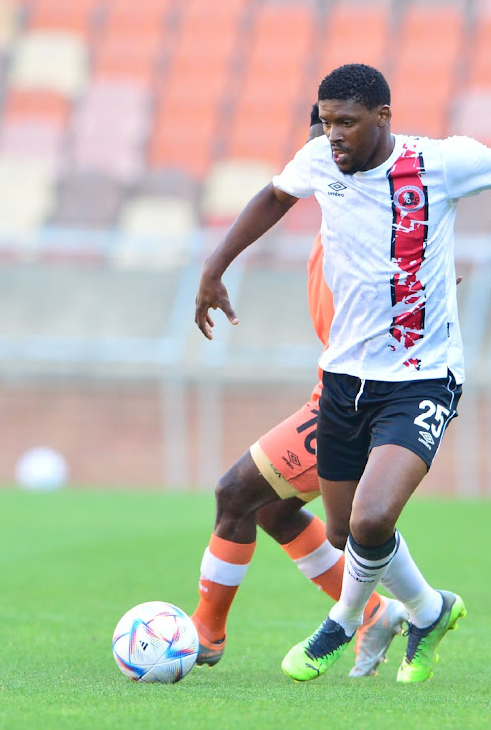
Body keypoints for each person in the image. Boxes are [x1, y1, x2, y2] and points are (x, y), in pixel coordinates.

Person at [194, 64, 491, 684]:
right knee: (341, 531)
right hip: (343, 382)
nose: (332, 135)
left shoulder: (443, 163)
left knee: (369, 520)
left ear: (383, 118)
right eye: (326, 121)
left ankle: (344, 619)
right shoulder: (317, 165)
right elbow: (274, 196)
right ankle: (427, 608)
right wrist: (215, 266)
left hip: (422, 377)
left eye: (346, 123)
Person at [191, 104, 408, 679]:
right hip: (338, 389)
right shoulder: (338, 211)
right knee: (277, 512)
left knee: (236, 494)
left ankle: (204, 636)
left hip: (357, 400)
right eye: (323, 143)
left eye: (341, 140)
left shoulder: (376, 217)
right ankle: (380, 612)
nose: (331, 154)